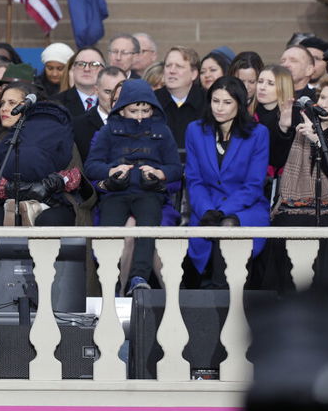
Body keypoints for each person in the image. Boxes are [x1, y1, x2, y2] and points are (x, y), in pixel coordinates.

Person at [85, 78, 183, 294]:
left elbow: (176, 167)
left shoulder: (162, 131)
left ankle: (139, 277)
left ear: (152, 109)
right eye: (134, 111)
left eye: (145, 111)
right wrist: (110, 170)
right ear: (121, 110)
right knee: (109, 234)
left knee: (147, 228)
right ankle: (110, 280)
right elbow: (91, 166)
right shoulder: (108, 131)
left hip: (149, 192)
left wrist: (160, 173)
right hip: (116, 192)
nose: (140, 116)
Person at [270, 72, 328, 290]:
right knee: (284, 222)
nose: (323, 103)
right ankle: (283, 297)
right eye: (323, 97)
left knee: (326, 229)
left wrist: (318, 140)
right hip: (298, 203)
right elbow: (276, 162)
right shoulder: (304, 123)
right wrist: (283, 127)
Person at [183, 77, 270, 288]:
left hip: (245, 207)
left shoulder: (258, 134)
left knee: (228, 225)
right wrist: (207, 210)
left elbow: (253, 185)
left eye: (227, 102)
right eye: (215, 101)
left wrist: (223, 211)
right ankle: (214, 296)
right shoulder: (195, 130)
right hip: (205, 206)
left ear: (240, 104)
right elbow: (194, 180)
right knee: (214, 227)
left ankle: (224, 292)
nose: (219, 108)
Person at [0, 81, 90, 226]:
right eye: (2, 103)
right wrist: (19, 189)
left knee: (50, 221)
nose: (4, 108)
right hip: (7, 202)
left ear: (30, 107)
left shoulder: (58, 137)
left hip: (54, 201)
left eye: (12, 103)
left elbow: (76, 176)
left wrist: (48, 186)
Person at [72, 66, 126, 163]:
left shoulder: (140, 124)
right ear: (96, 91)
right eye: (108, 92)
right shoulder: (76, 127)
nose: (114, 98)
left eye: (120, 92)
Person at [155, 46, 206, 148]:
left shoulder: (208, 102)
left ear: (194, 74)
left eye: (179, 66)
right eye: (168, 65)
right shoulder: (152, 101)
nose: (172, 71)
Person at [53, 47, 106, 117]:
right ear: (73, 69)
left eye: (94, 64)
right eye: (81, 64)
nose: (87, 69)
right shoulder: (55, 104)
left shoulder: (114, 102)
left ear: (104, 70)